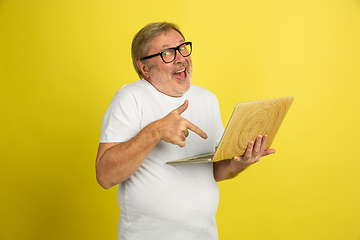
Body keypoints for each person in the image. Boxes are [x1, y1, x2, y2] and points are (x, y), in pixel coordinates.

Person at [95, 22, 275, 240]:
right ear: (144, 68)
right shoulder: (131, 97)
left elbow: (214, 171)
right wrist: (155, 131)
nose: (180, 58)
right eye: (167, 53)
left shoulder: (207, 99)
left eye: (182, 48)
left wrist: (239, 163)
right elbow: (105, 176)